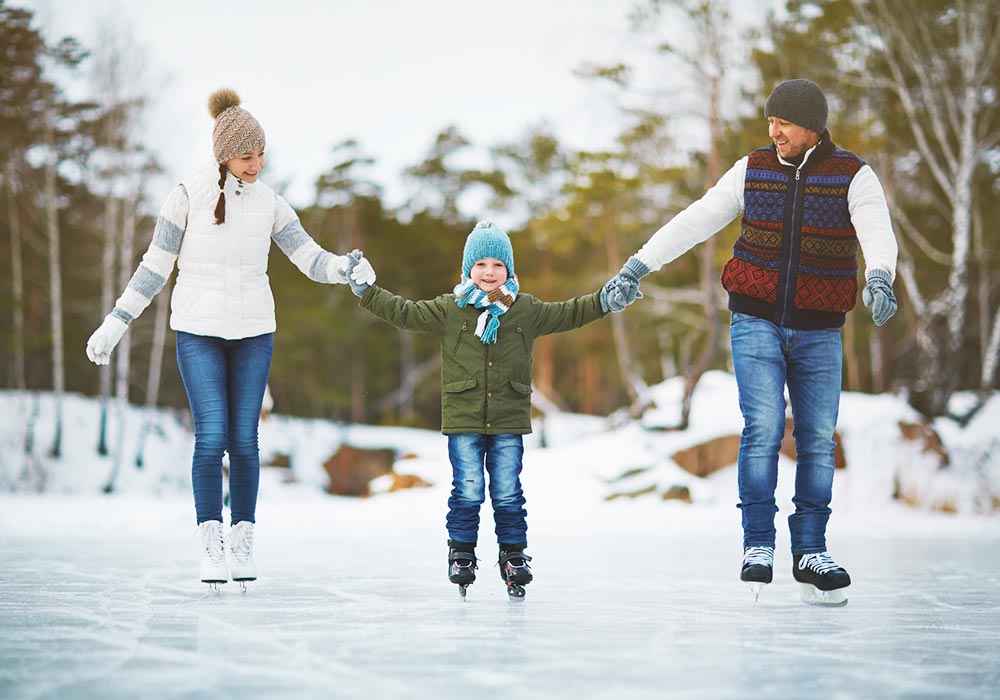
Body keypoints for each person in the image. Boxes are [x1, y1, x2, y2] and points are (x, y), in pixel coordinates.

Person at [604, 79, 898, 606]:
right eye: (770, 122)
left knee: (816, 439)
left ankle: (810, 549)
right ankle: (758, 543)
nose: (773, 131)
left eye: (783, 122)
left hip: (820, 327)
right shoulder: (753, 169)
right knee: (762, 427)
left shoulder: (853, 175)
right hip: (755, 319)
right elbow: (697, 218)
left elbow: (877, 229)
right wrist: (638, 265)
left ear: (811, 126)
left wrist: (880, 276)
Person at [85, 88, 374, 590]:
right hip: (198, 333)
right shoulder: (186, 197)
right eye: (246, 156)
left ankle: (243, 542)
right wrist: (116, 322)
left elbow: (310, 259)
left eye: (261, 153)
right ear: (224, 155)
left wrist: (346, 268)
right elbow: (154, 268)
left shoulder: (271, 204)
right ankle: (210, 543)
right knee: (211, 435)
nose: (257, 164)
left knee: (245, 441)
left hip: (254, 333)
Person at [345, 221, 609, 598]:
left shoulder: (525, 310)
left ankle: (513, 555)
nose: (489, 272)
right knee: (467, 489)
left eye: (498, 265)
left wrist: (604, 300)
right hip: (463, 418)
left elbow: (569, 312)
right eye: (481, 264)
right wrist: (367, 291)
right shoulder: (449, 310)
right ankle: (462, 552)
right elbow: (403, 312)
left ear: (509, 271)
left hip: (508, 418)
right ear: (468, 269)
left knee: (507, 492)